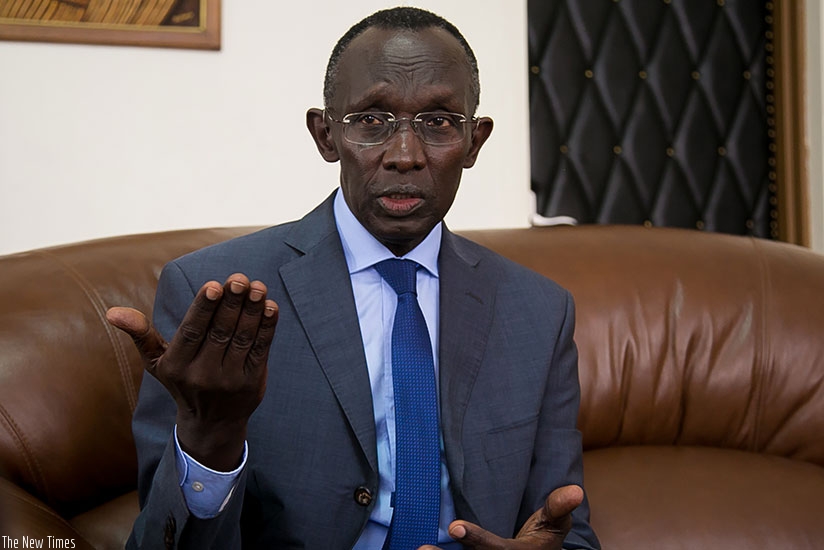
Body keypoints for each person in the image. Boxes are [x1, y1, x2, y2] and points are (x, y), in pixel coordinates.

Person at [106, 6, 601, 550]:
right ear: (325, 135)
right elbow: (159, 542)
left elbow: (564, 528)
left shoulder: (539, 311)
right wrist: (208, 442)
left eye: (438, 122)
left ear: (475, 143)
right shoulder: (213, 296)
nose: (405, 156)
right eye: (371, 120)